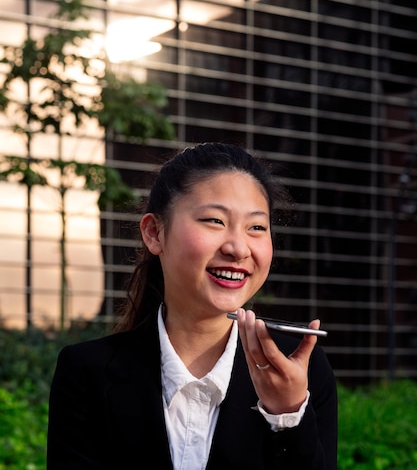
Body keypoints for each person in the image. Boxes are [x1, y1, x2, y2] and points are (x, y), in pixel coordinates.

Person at [47, 142, 338, 470]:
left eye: (256, 227)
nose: (238, 247)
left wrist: (287, 418)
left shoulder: (301, 373)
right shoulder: (87, 373)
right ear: (155, 233)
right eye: (215, 221)